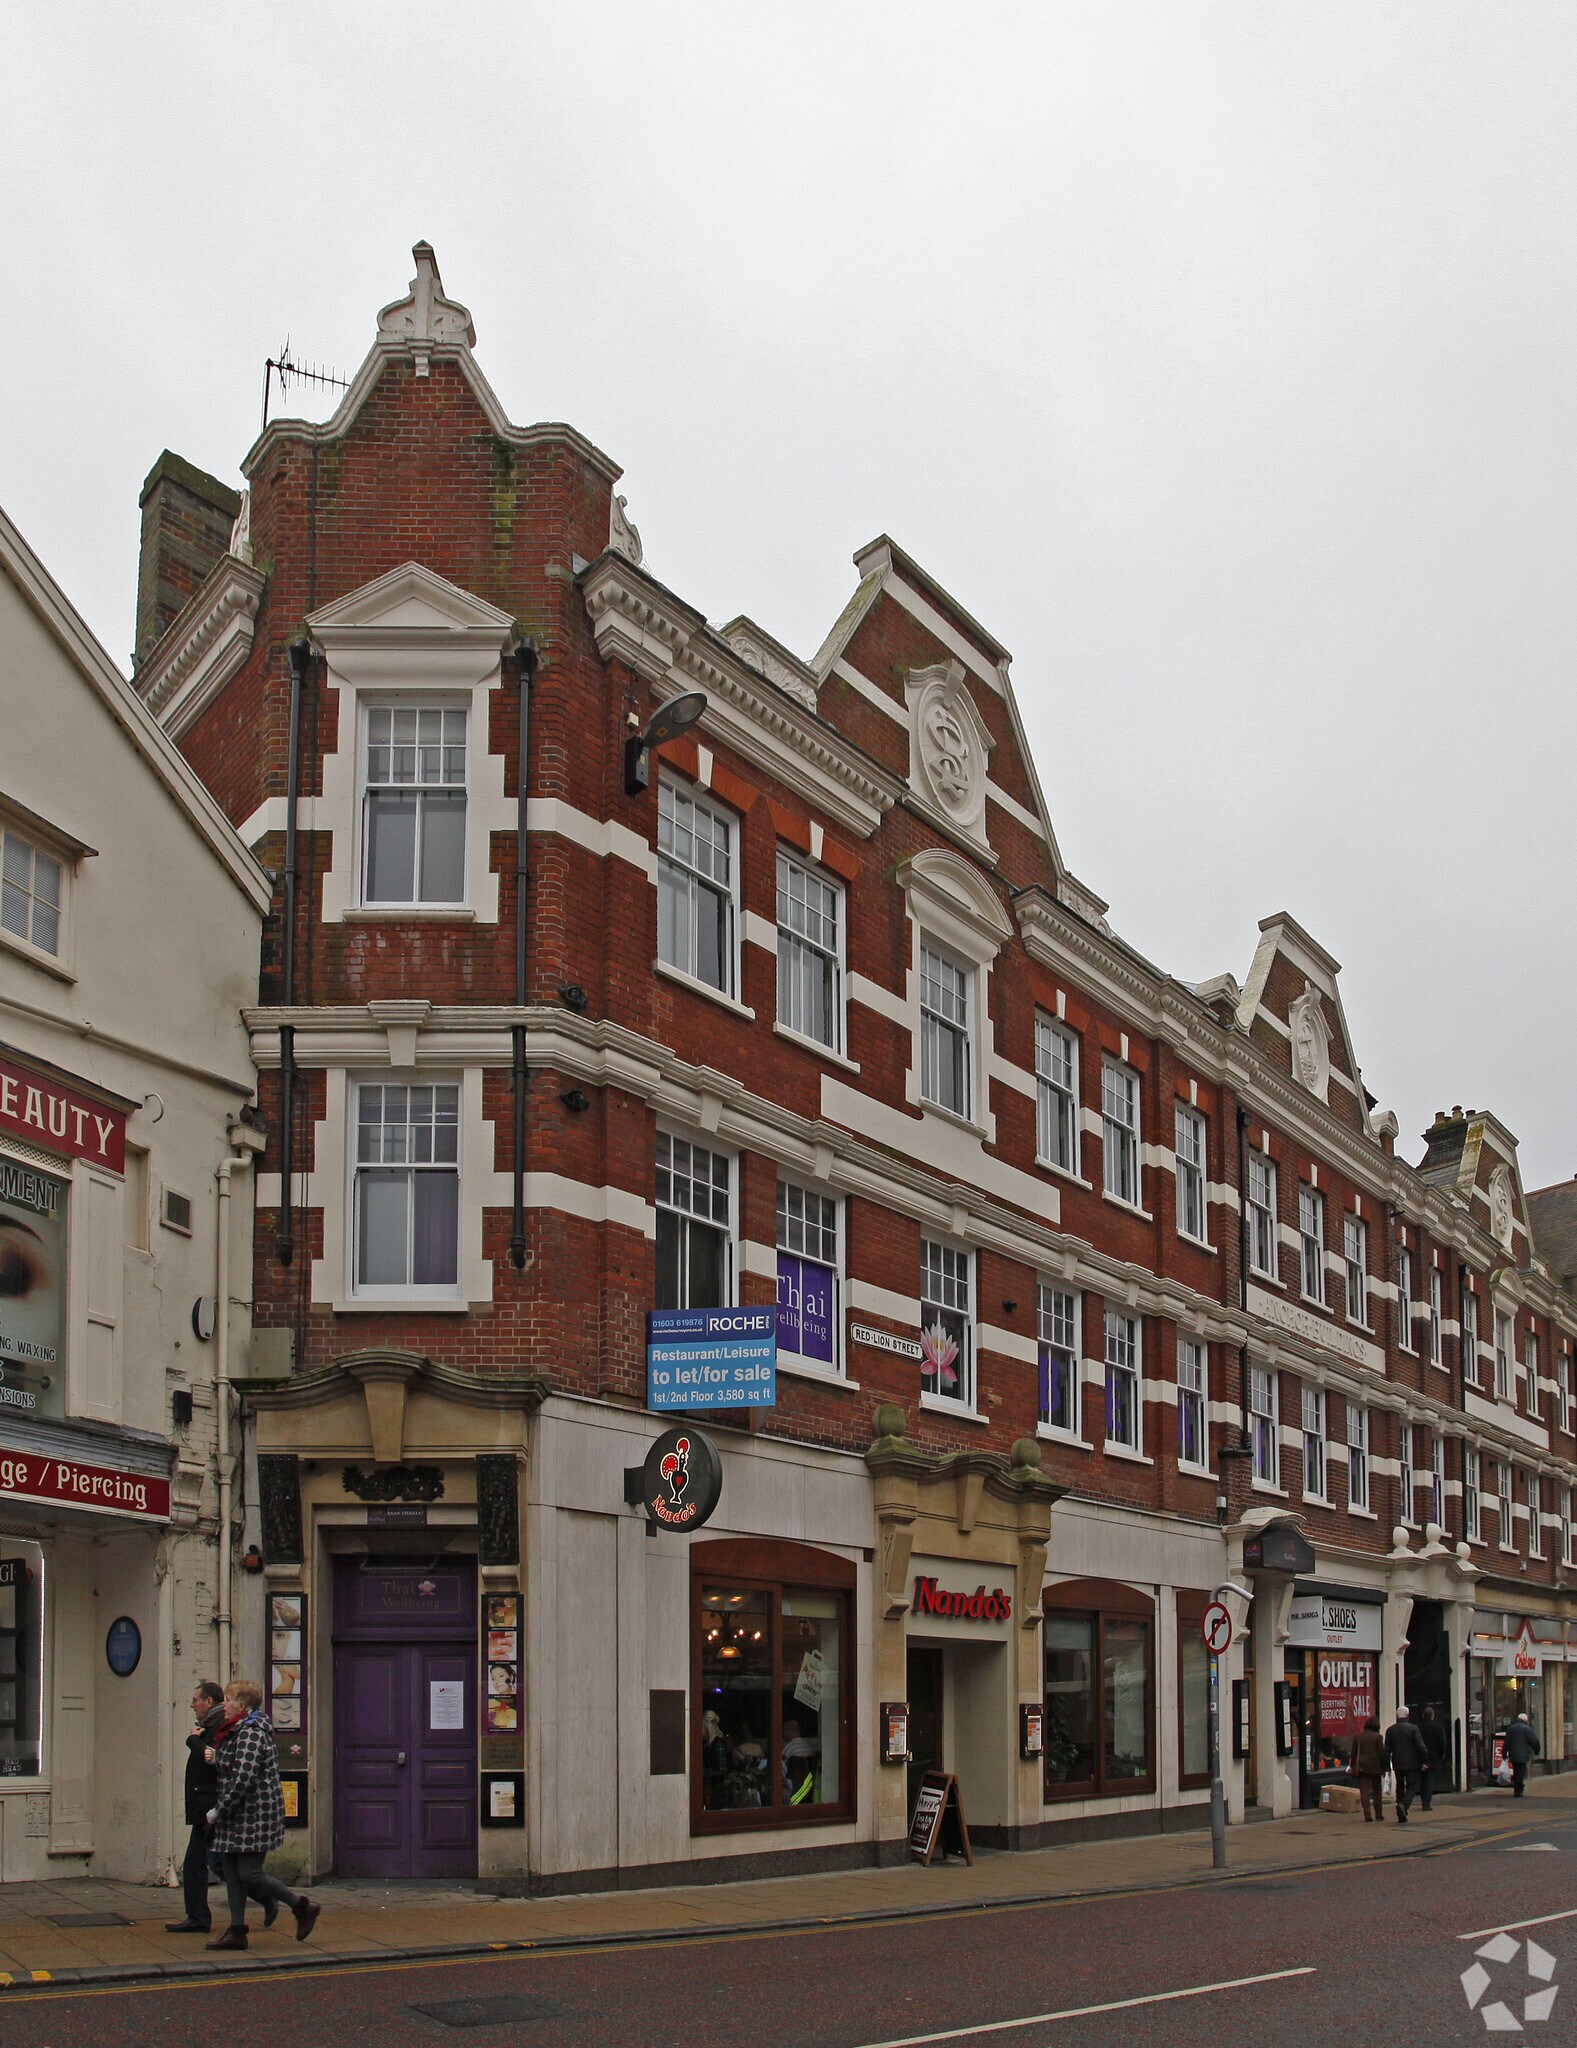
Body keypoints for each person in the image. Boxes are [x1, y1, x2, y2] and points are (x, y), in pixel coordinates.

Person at [204, 1678, 321, 1951]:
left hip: (254, 1814)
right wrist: (218, 1758)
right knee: (232, 1872)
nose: (224, 1705)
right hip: (239, 1813)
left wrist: (219, 1810)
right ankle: (236, 1931)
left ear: (242, 1706)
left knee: (249, 1873)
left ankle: (301, 1906)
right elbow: (237, 1763)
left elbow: (244, 1777)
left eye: (228, 1700)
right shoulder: (237, 1729)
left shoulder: (251, 1732)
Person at [164, 1681, 226, 1932]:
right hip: (206, 1805)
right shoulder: (212, 1724)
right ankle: (198, 1917)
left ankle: (199, 1918)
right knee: (206, 1864)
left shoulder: (220, 1725)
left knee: (206, 1864)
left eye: (195, 1700)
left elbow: (213, 1756)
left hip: (211, 1806)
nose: (192, 1705)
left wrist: (192, 1740)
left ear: (208, 1702)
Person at [1383, 1704, 1429, 1823]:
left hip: (1397, 1763)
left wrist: (1387, 1766)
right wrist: (1425, 1760)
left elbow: (1386, 1750)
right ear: (1407, 1716)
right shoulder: (1413, 1728)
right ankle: (1404, 1806)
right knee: (1411, 1786)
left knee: (1400, 1786)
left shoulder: (1390, 1730)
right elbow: (1421, 1746)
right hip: (1412, 1763)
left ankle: (1400, 1809)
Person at [1351, 1714, 1386, 1822]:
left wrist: (1352, 1765)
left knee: (1364, 1791)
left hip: (1362, 1767)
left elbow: (1353, 1752)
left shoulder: (1358, 1736)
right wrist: (1384, 1767)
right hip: (1376, 1767)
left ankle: (1367, 1814)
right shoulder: (1378, 1737)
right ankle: (1378, 1813)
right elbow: (1381, 1753)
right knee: (1377, 1790)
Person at [1504, 1710, 1541, 1797]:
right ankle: (1519, 1790)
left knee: (1516, 1771)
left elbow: (1506, 1742)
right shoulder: (1526, 1729)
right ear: (1525, 1720)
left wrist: (1504, 1753)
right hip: (1523, 1754)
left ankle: (1517, 1789)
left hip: (1513, 1754)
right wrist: (1536, 1751)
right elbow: (1534, 1741)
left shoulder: (1511, 1728)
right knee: (1521, 1773)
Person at [1418, 1704, 1447, 1811]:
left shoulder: (1418, 1727)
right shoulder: (1438, 1728)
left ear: (1423, 1715)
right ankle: (1426, 1804)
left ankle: (1423, 1801)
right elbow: (1442, 1743)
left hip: (1420, 1758)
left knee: (1422, 1781)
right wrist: (1442, 1755)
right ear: (1433, 1716)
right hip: (1434, 1758)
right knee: (1430, 1781)